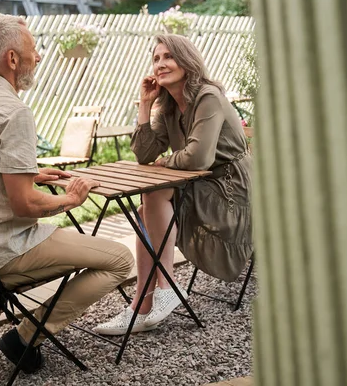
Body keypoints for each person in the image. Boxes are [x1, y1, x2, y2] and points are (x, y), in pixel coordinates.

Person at [0, 13, 134, 372]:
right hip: (3, 252)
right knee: (121, 259)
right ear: (13, 59)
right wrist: (70, 199)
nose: (39, 56)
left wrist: (30, 173)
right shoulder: (15, 112)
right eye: (33, 49)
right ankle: (26, 334)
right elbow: (25, 205)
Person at [93, 34, 253, 335]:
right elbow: (144, 153)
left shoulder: (208, 97)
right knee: (147, 207)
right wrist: (144, 104)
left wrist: (167, 162)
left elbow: (200, 157)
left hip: (231, 191)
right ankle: (147, 300)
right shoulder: (168, 106)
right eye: (156, 58)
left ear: (187, 61)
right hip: (199, 183)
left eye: (168, 56)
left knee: (152, 199)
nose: (160, 64)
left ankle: (156, 294)